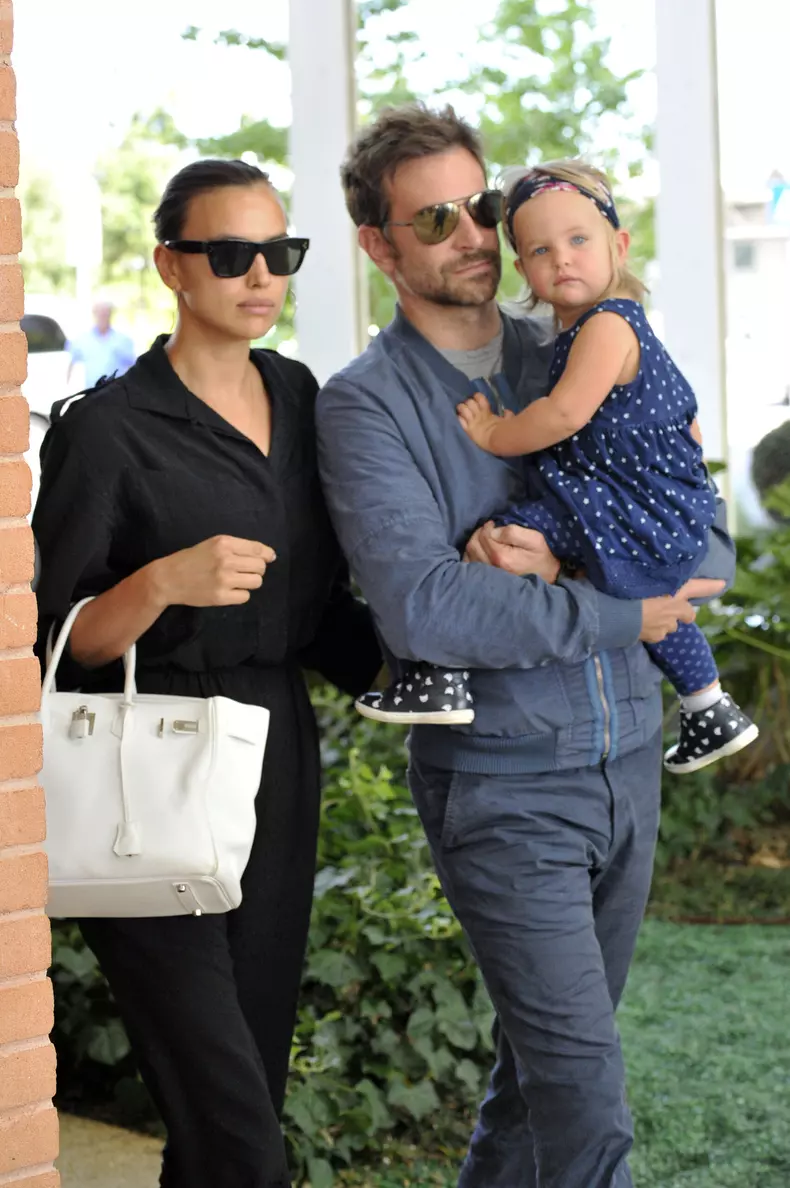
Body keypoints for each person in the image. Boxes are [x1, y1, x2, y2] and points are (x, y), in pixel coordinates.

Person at [315, 104, 732, 1188]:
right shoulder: (369, 406)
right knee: (587, 1102)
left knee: (535, 1075)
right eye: (432, 216)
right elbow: (428, 611)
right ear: (379, 245)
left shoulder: (583, 338)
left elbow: (709, 542)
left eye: (482, 205)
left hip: (630, 762)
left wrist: (567, 565)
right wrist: (625, 608)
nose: (471, 233)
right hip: (505, 790)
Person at [33, 158, 381, 1188]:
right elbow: (57, 640)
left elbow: (319, 610)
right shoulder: (108, 427)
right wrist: (161, 583)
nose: (260, 275)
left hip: (274, 749)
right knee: (234, 1123)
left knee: (241, 1089)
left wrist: (457, 641)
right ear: (170, 267)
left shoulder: (298, 394)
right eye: (230, 254)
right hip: (152, 756)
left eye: (281, 253)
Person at [362, 158, 758, 775]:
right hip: (654, 515)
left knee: (501, 537)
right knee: (650, 594)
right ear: (524, 268)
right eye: (542, 249)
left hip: (630, 510)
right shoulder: (368, 399)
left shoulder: (605, 325)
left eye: (578, 241)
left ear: (618, 246)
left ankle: (438, 677)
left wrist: (494, 433)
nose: (563, 259)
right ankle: (709, 702)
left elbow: (562, 416)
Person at [67, 297, 136, 388]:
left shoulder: (123, 340)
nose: (103, 316)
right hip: (91, 393)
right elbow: (71, 365)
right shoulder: (81, 340)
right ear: (94, 314)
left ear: (111, 314)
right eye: (100, 312)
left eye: (106, 312)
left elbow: (132, 367)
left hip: (117, 393)